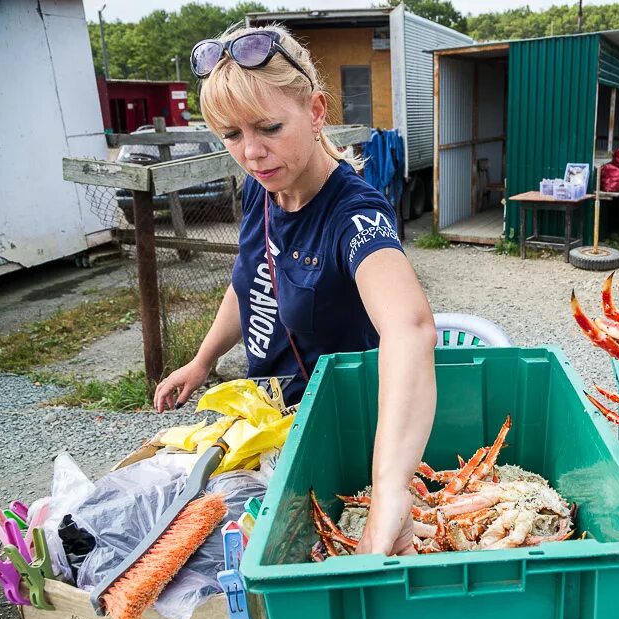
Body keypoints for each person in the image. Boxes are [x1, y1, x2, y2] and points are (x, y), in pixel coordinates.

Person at [153, 25, 438, 556]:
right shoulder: (265, 189)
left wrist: (389, 490)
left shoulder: (354, 213)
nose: (253, 153)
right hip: (270, 422)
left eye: (269, 127)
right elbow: (249, 283)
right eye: (232, 136)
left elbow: (410, 326)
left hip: (336, 439)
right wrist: (202, 360)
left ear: (315, 111)